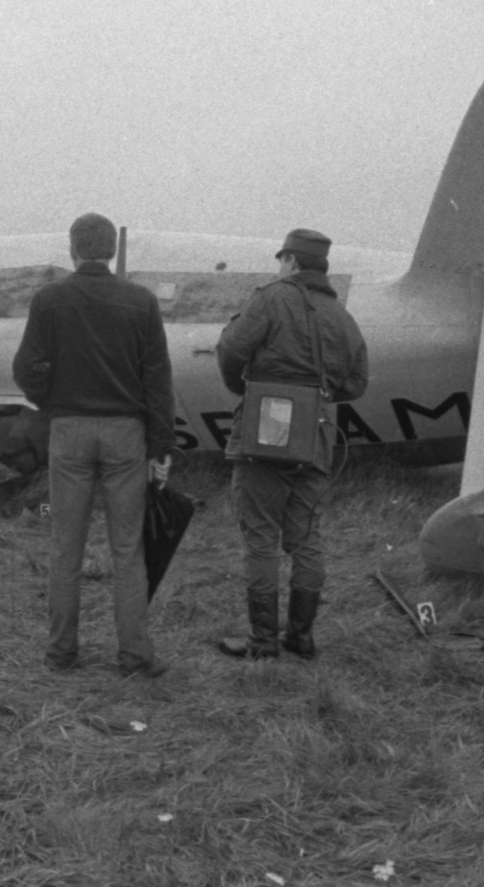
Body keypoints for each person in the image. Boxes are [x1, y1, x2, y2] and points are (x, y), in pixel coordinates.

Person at [12, 212, 177, 679]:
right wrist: (161, 445)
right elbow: (158, 380)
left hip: (69, 431)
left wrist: (53, 401)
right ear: (112, 251)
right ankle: (135, 658)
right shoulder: (141, 302)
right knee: (128, 550)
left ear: (72, 248)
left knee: (66, 546)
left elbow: (26, 369)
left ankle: (62, 654)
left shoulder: (49, 300)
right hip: (127, 434)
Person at [214, 228, 368, 660]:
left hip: (264, 431)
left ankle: (263, 641)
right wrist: (317, 397)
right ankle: (300, 637)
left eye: (282, 259)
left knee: (261, 536)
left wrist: (244, 388)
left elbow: (230, 349)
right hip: (317, 436)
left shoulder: (271, 297)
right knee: (306, 537)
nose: (279, 267)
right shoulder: (343, 317)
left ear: (292, 262)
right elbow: (357, 382)